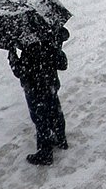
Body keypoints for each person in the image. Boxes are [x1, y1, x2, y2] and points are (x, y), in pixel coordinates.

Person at [9, 27, 69, 165]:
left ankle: (45, 153)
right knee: (55, 111)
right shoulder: (47, 39)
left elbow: (19, 71)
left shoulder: (29, 50)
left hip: (34, 89)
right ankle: (61, 139)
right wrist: (57, 46)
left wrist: (12, 56)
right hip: (51, 84)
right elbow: (62, 64)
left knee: (41, 119)